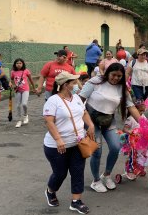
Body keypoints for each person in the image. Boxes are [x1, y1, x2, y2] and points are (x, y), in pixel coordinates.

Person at [79, 62, 141, 193]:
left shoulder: (122, 88)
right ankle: (95, 181)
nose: (116, 78)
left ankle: (106, 175)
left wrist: (144, 124)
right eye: (114, 75)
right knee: (97, 150)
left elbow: (132, 107)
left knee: (115, 147)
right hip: (91, 120)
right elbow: (80, 100)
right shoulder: (95, 82)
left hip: (108, 120)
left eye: (119, 76)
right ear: (108, 73)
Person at [42, 72, 95, 214]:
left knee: (78, 171)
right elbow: (49, 121)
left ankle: (76, 201)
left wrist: (90, 125)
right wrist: (59, 140)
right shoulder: (53, 101)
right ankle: (50, 190)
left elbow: (83, 112)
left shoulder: (76, 97)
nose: (77, 85)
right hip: (57, 146)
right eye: (73, 82)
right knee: (60, 173)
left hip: (78, 143)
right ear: (66, 85)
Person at [11, 58, 36, 128]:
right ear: (15, 64)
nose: (18, 65)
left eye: (20, 63)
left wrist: (34, 88)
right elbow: (11, 80)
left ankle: (25, 115)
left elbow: (31, 80)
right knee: (18, 105)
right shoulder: (13, 72)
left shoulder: (26, 71)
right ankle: (19, 120)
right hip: (17, 90)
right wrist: (12, 84)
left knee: (24, 104)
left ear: (23, 64)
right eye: (17, 63)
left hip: (25, 90)